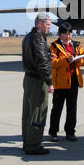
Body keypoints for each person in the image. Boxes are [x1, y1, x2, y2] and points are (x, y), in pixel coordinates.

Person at [22, 13, 54, 155]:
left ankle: (27, 141)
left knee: (28, 113)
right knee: (38, 112)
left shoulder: (28, 37)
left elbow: (37, 57)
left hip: (28, 79)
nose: (49, 27)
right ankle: (34, 145)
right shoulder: (39, 38)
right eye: (47, 24)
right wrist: (49, 81)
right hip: (37, 81)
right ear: (39, 24)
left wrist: (48, 55)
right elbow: (41, 63)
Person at [49, 22, 84, 142]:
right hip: (60, 82)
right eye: (65, 34)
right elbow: (53, 63)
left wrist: (78, 60)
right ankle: (53, 132)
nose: (67, 36)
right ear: (59, 34)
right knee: (57, 108)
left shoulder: (76, 45)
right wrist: (66, 59)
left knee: (72, 108)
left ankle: (70, 132)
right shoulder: (54, 46)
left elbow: (83, 59)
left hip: (74, 80)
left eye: (69, 33)